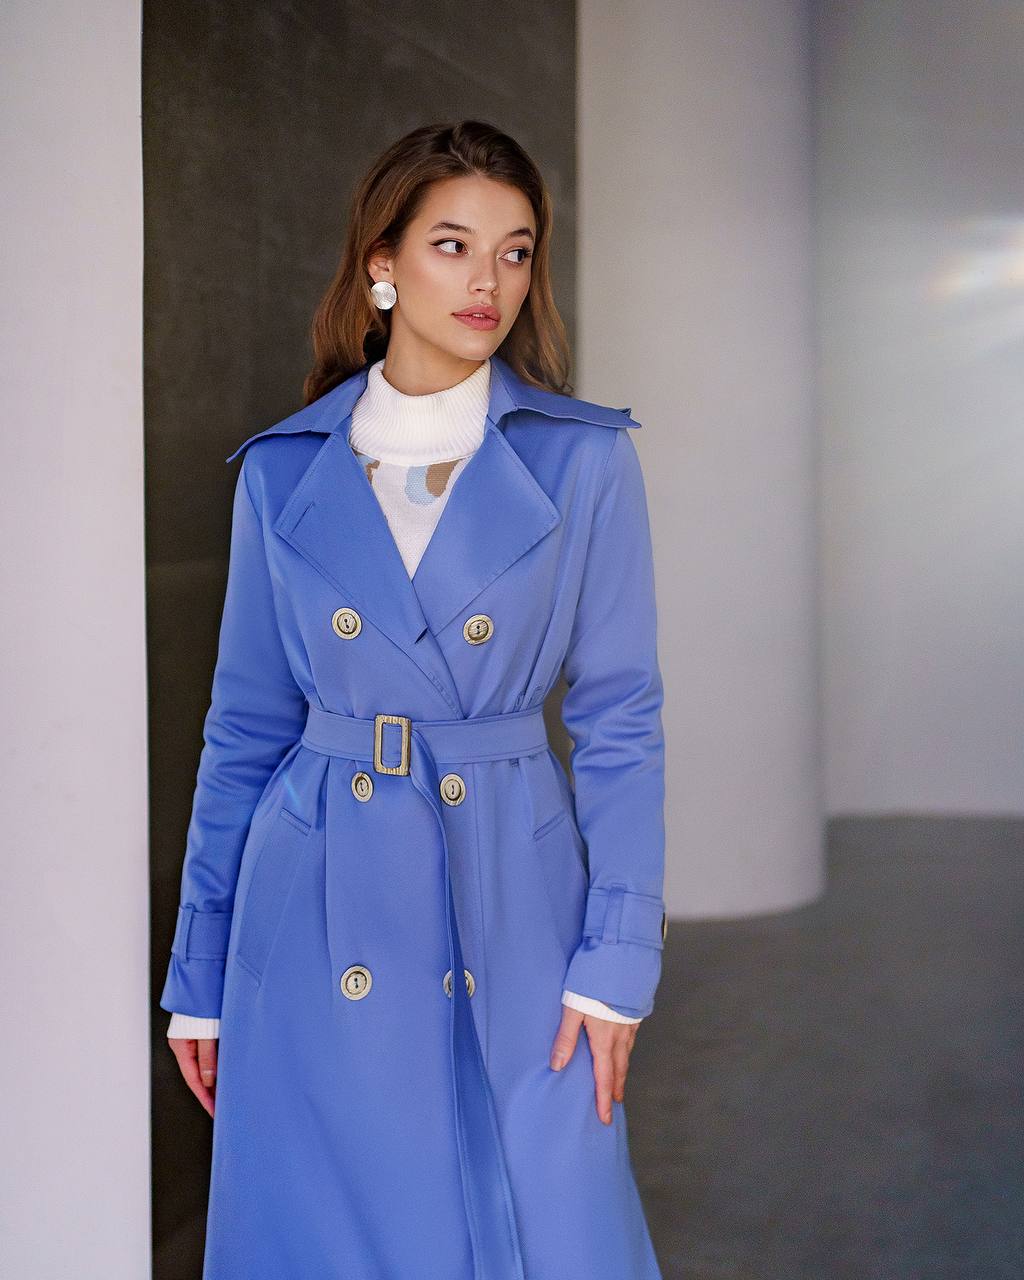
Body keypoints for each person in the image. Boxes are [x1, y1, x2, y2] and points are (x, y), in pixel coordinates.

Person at [161, 118, 667, 1280]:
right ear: (381, 261)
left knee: (552, 1218)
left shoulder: (581, 460)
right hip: (317, 896)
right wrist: (201, 973)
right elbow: (242, 730)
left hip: (517, 892)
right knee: (333, 1233)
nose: (488, 281)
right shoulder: (283, 468)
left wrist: (616, 956)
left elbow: (619, 719)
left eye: (516, 250)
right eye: (452, 244)